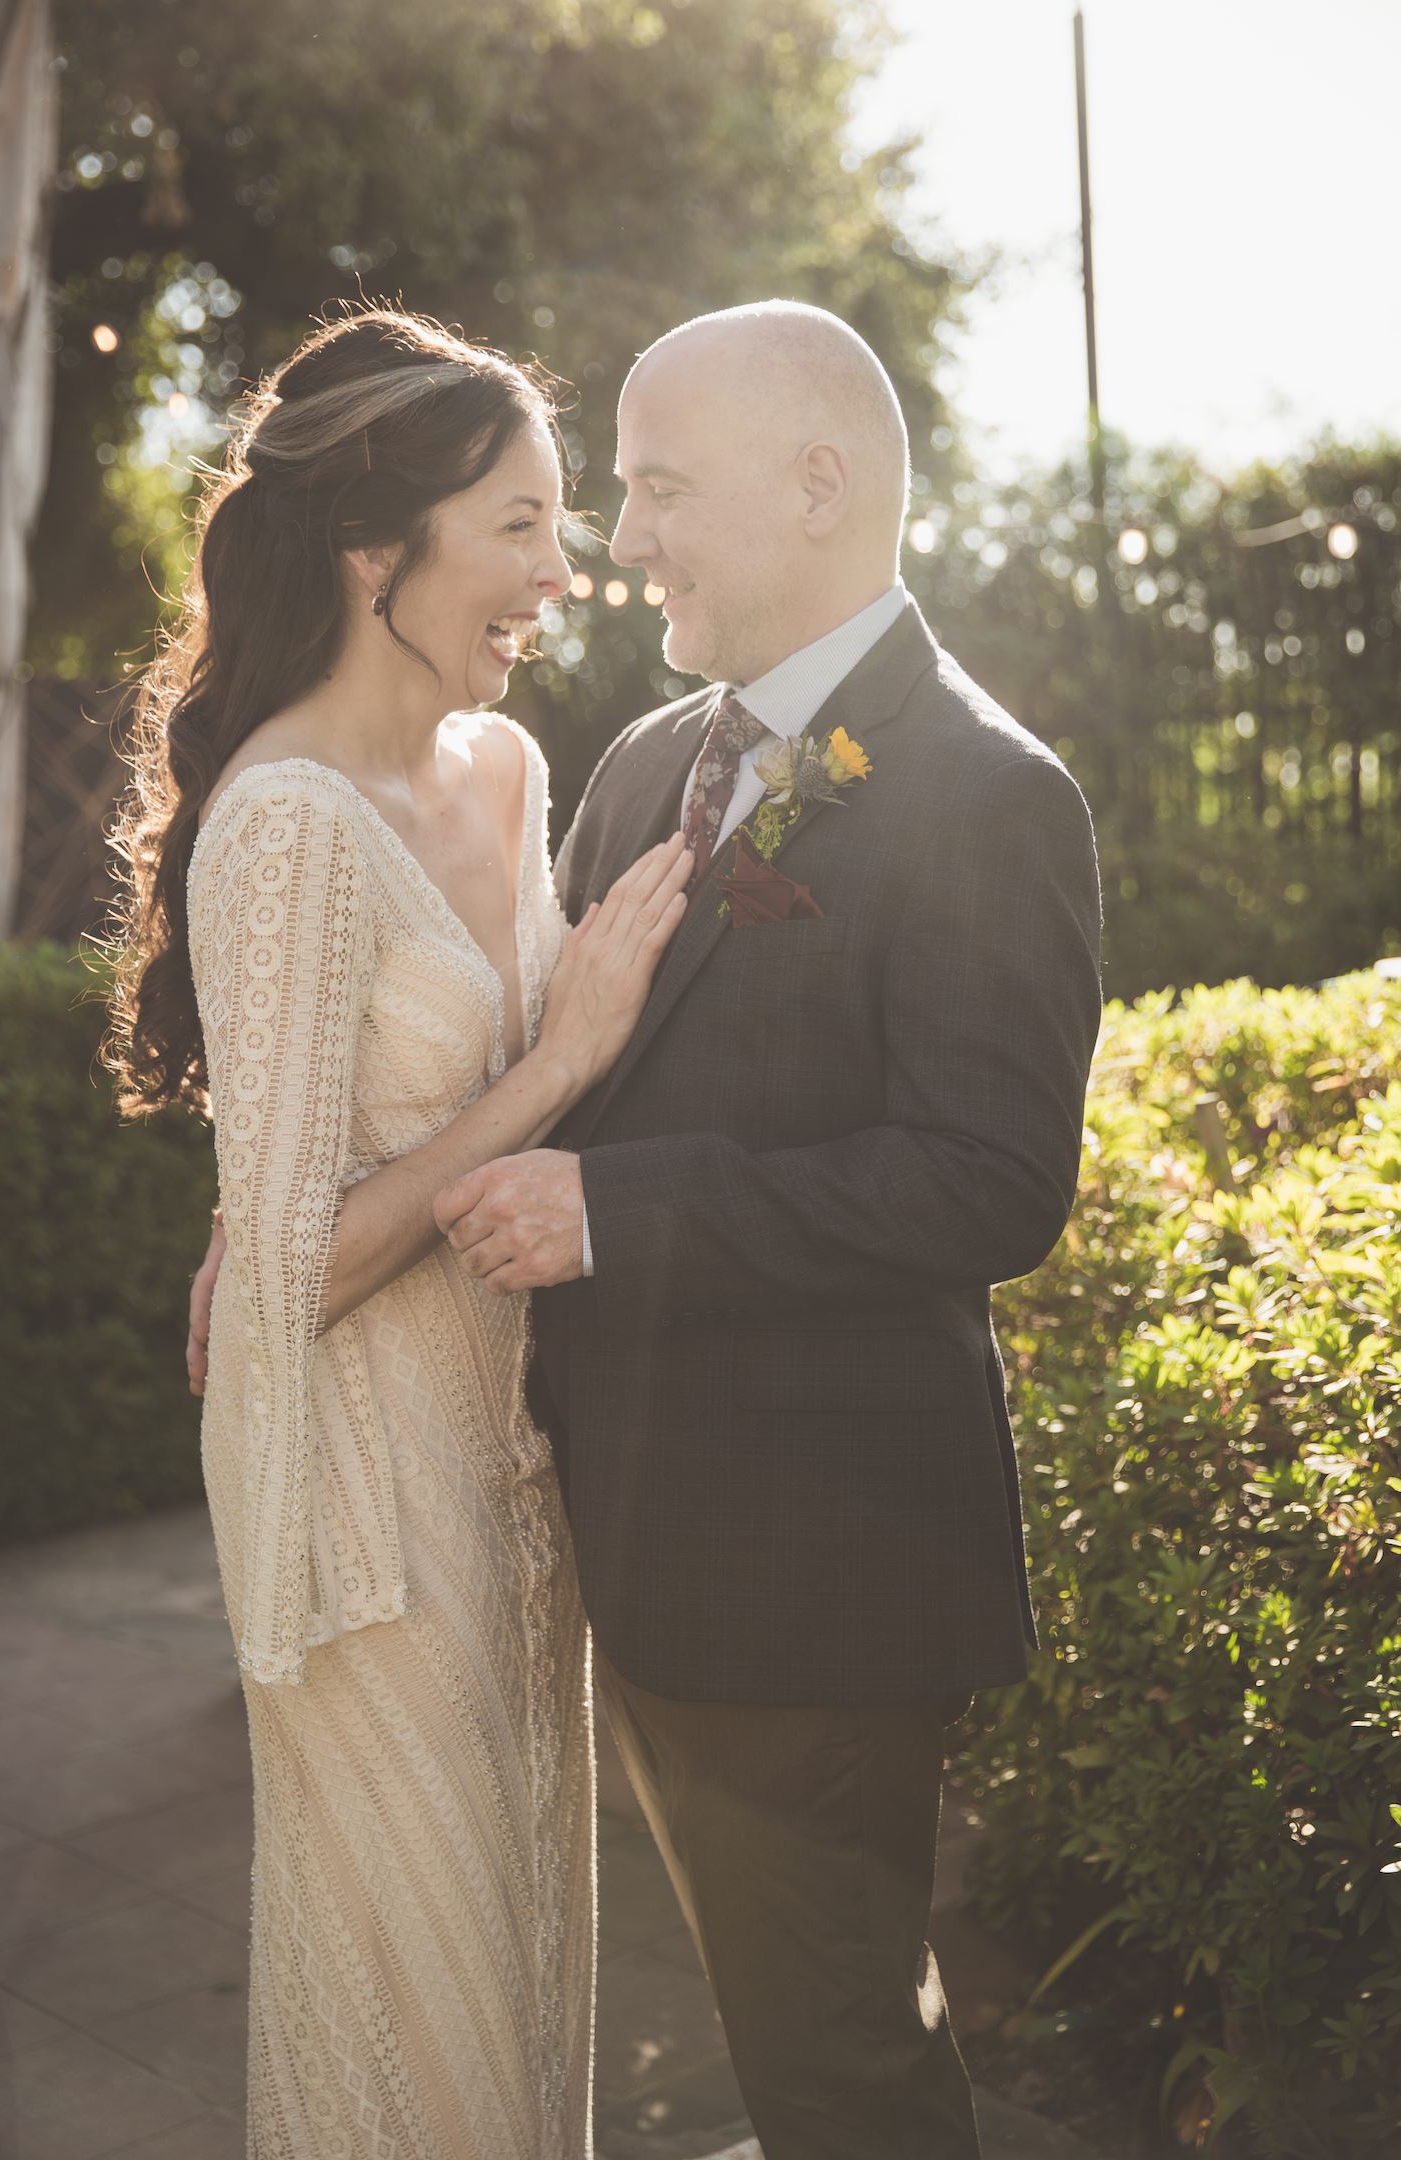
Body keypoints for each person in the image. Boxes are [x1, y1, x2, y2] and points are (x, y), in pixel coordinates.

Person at [434, 301, 1105, 2159]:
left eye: (660, 489)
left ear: (818, 485)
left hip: (821, 1573)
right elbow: (562, 1065)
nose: (623, 538)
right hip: (639, 1541)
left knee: (844, 2074)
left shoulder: (991, 793)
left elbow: (991, 1177)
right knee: (786, 2048)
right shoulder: (645, 763)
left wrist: (617, 1210)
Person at [112, 305, 692, 2158]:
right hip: (366, 1502)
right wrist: (563, 1059)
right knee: (418, 2004)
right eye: (518, 525)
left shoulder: (506, 771)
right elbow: (295, 1277)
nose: (561, 572)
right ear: (378, 548)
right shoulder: (284, 822)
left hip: (519, 1454)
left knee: (526, 1982)